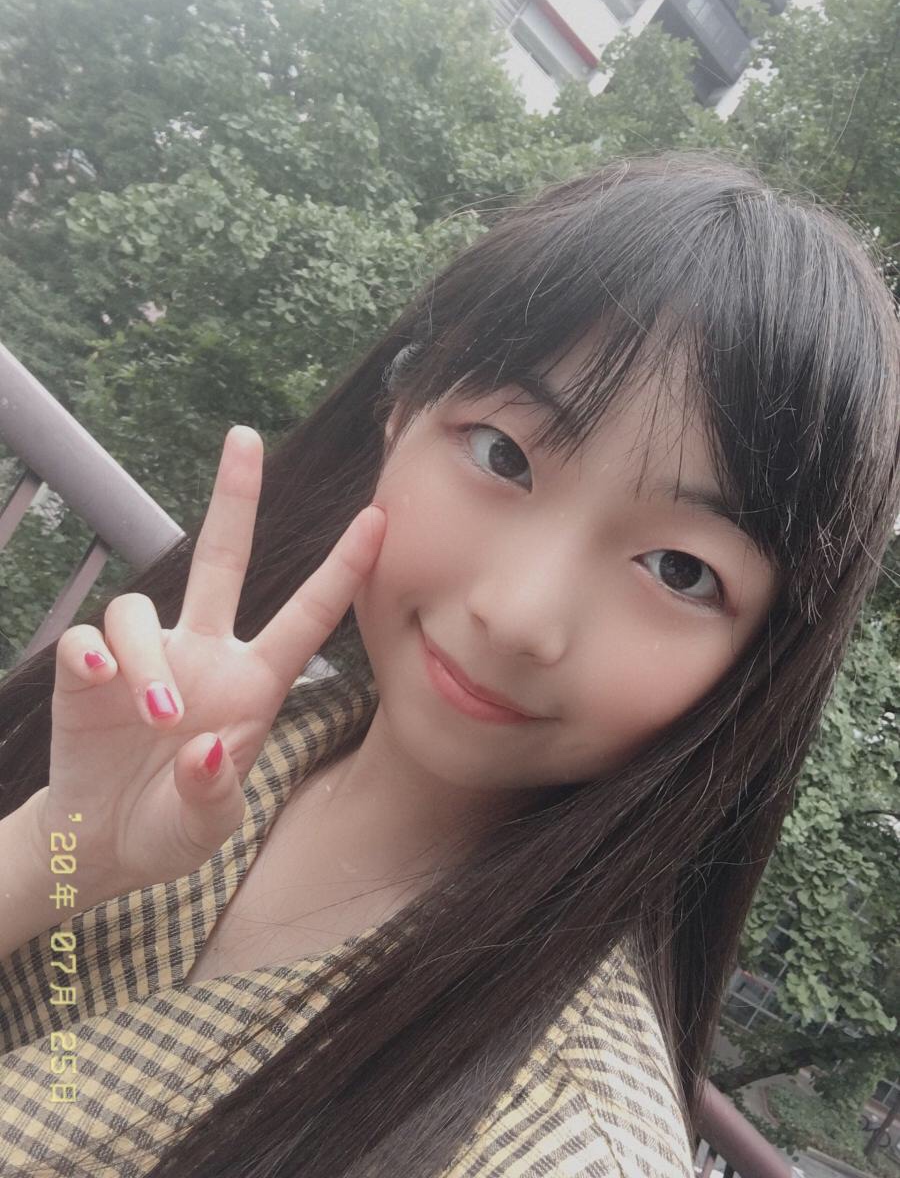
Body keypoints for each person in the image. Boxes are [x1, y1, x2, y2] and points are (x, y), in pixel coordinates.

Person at [0, 150, 897, 1178]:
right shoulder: (216, 744)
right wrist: (59, 852)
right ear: (402, 410)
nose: (519, 614)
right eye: (503, 455)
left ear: (753, 668)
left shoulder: (564, 1149)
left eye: (679, 570)